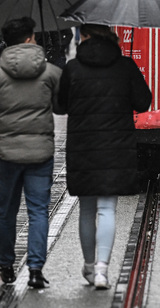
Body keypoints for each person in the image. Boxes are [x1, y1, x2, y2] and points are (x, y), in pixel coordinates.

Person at [54, 24, 152, 289]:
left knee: (86, 210)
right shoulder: (125, 66)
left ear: (84, 37)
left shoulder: (73, 68)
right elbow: (144, 103)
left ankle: (87, 266)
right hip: (115, 147)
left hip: (83, 147)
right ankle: (101, 270)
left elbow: (59, 106)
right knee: (108, 207)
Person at [0, 17, 61, 289]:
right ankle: (35, 268)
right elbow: (60, 107)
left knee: (6, 212)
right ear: (30, 38)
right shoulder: (51, 73)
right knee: (38, 212)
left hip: (6, 154)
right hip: (40, 154)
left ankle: (6, 263)